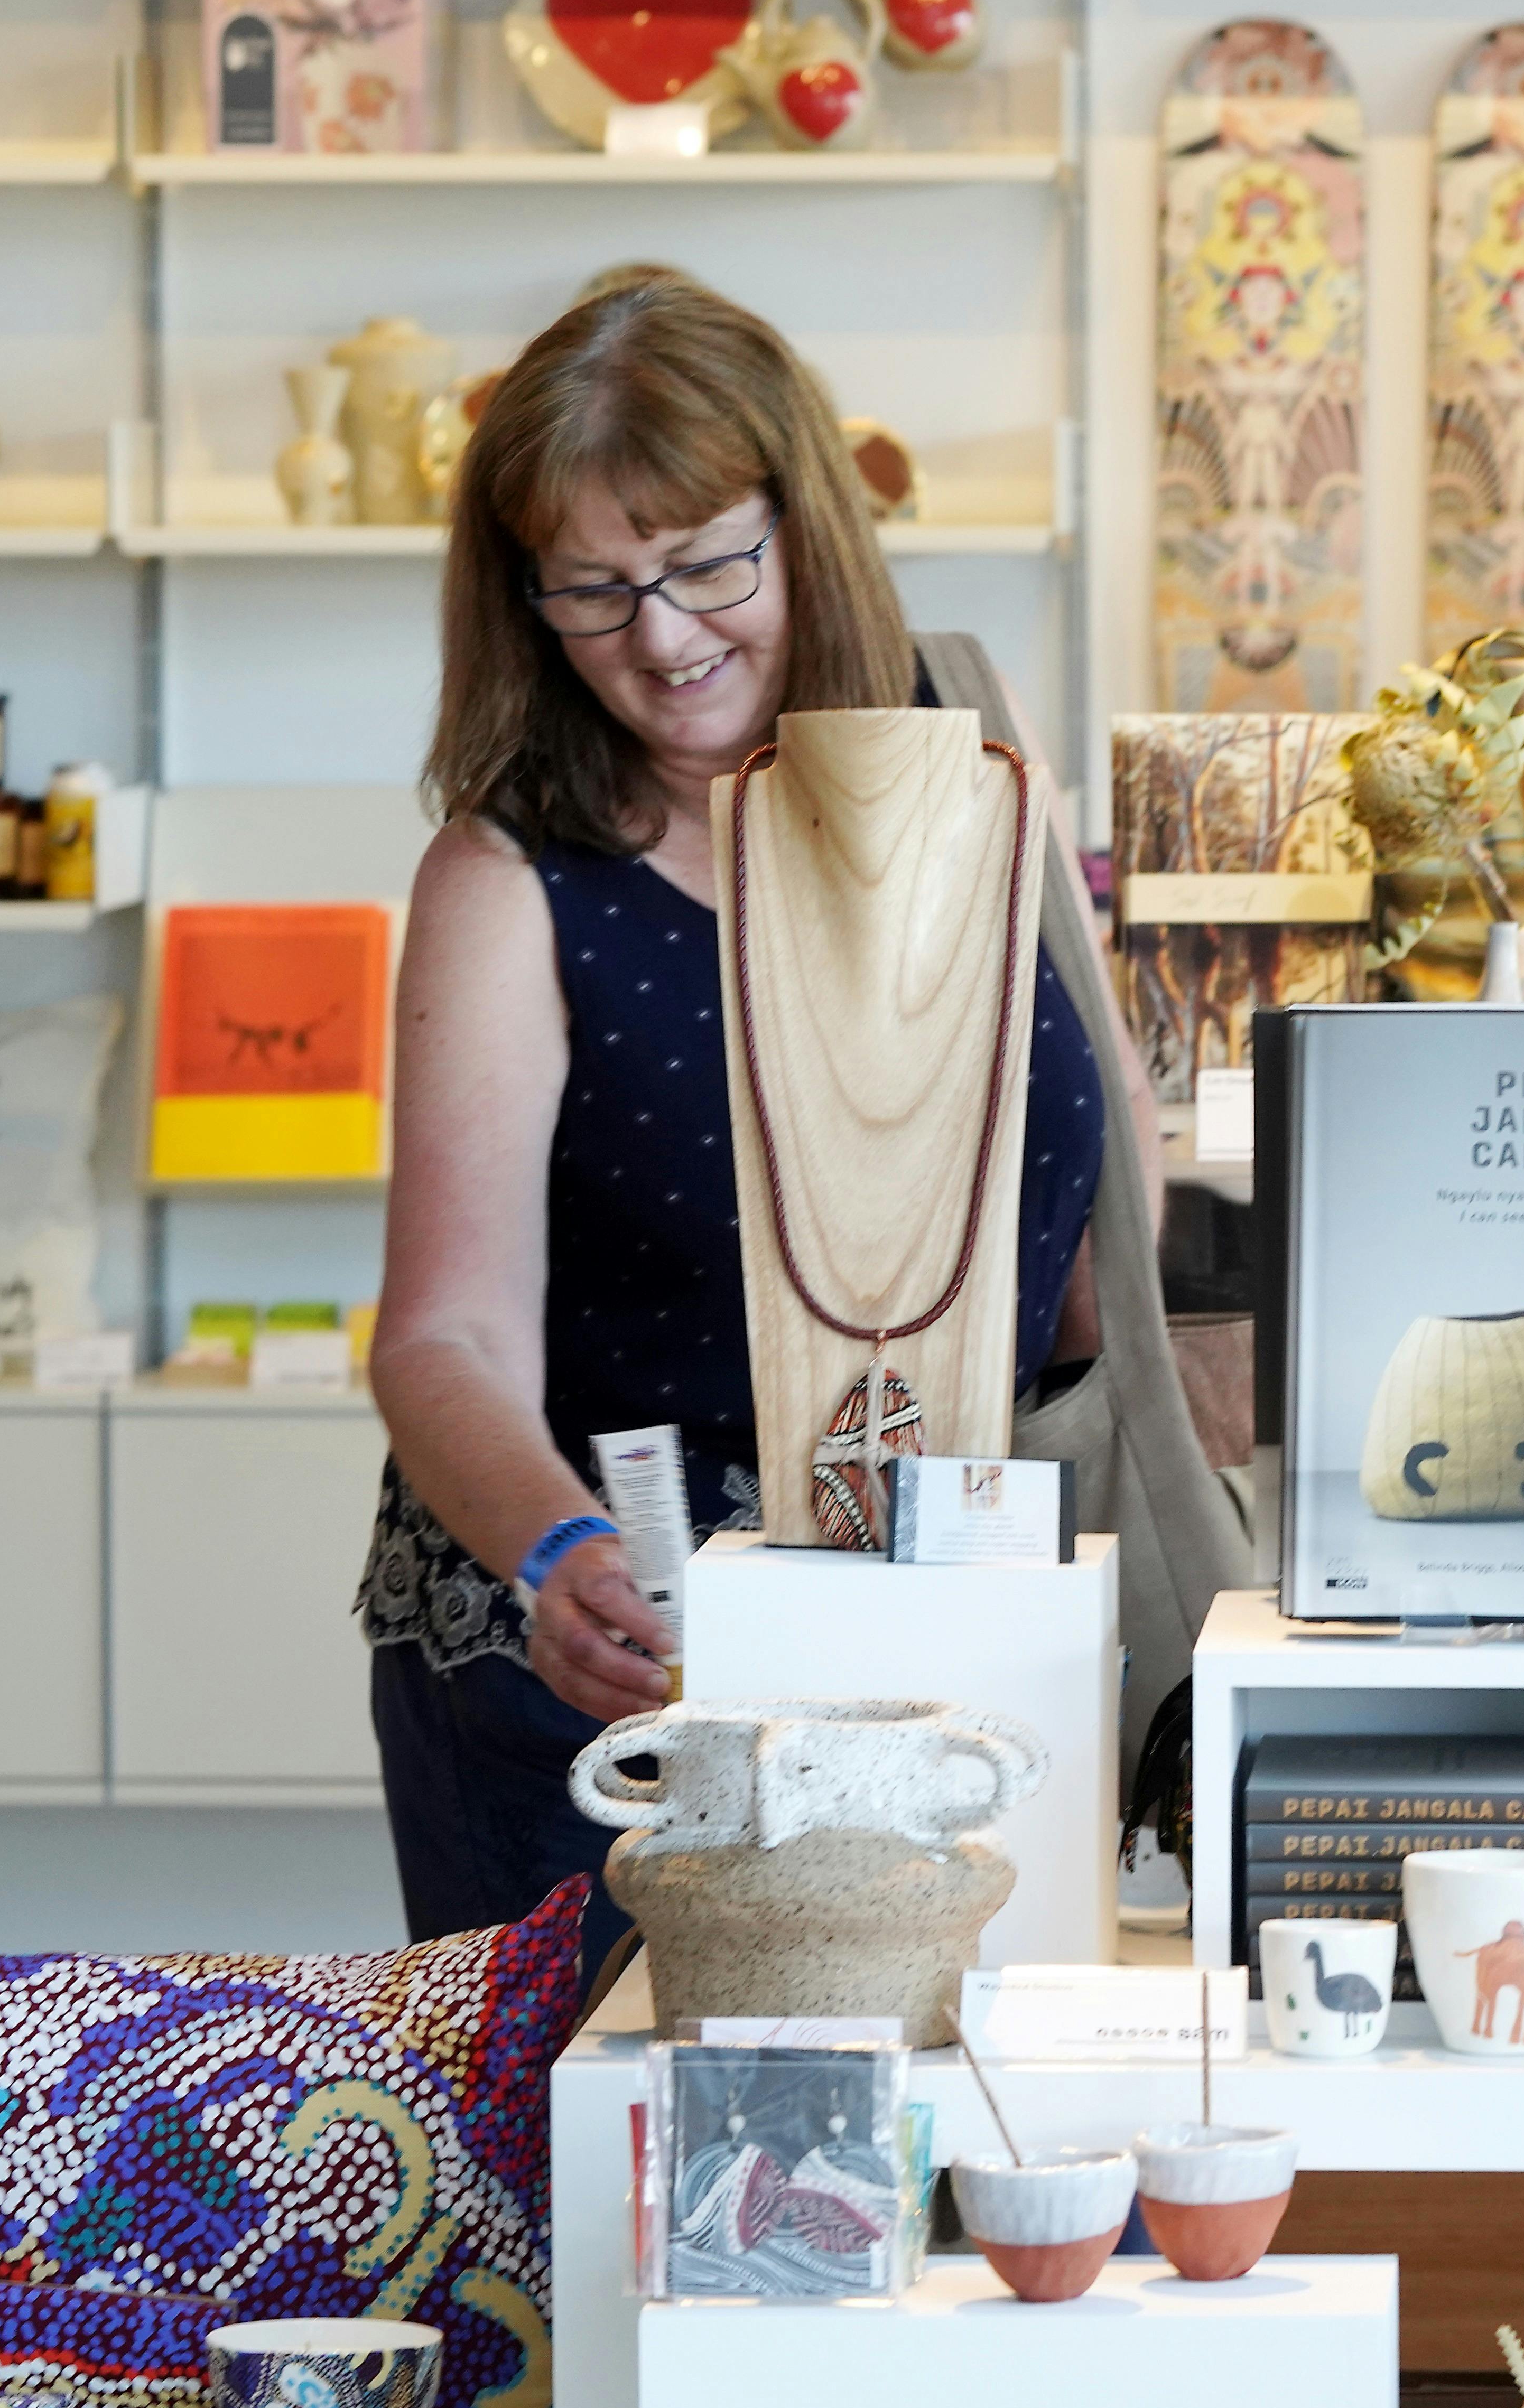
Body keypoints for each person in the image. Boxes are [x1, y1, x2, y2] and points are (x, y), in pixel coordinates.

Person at [359, 274, 1110, 1971]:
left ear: (807, 525)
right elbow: (442, 1333)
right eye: (594, 588)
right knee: (610, 2191)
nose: (664, 635)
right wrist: (560, 1552)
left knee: (959, 2162)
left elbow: (1092, 1213)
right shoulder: (513, 880)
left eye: (708, 561)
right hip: (618, 1657)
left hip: (949, 1628)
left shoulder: (974, 763)